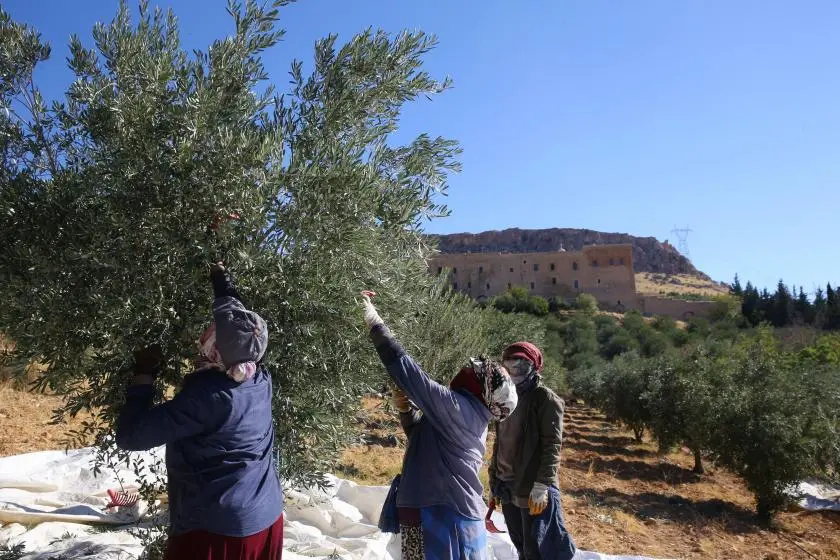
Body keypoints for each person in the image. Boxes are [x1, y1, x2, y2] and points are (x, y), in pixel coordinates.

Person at [116, 263, 284, 560]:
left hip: (218, 531)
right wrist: (220, 275)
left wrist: (143, 374)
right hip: (265, 516)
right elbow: (238, 321)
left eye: (212, 331)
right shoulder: (258, 378)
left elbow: (132, 436)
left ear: (216, 347)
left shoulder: (207, 397)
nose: (206, 330)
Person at [361, 292, 517, 560]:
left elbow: (412, 376)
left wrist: (374, 322)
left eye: (474, 373)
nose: (466, 371)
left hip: (444, 516)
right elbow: (422, 440)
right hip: (435, 511)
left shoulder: (460, 409)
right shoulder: (468, 411)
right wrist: (405, 410)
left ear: (484, 391)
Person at [488, 342, 576, 560]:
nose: (515, 372)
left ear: (534, 367)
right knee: (520, 547)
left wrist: (542, 486)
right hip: (507, 486)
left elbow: (552, 446)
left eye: (521, 366)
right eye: (510, 366)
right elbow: (500, 443)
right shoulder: (505, 397)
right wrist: (493, 481)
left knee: (539, 551)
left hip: (533, 488)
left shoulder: (544, 398)